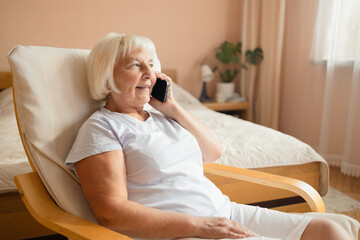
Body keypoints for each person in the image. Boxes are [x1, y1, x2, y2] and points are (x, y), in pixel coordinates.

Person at [66, 32, 354, 240]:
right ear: (106, 78)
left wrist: (173, 107)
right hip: (182, 231)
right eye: (135, 65)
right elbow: (111, 212)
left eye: (152, 65)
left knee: (328, 230)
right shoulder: (102, 128)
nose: (149, 74)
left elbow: (214, 152)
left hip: (223, 210)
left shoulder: (161, 115)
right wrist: (198, 226)